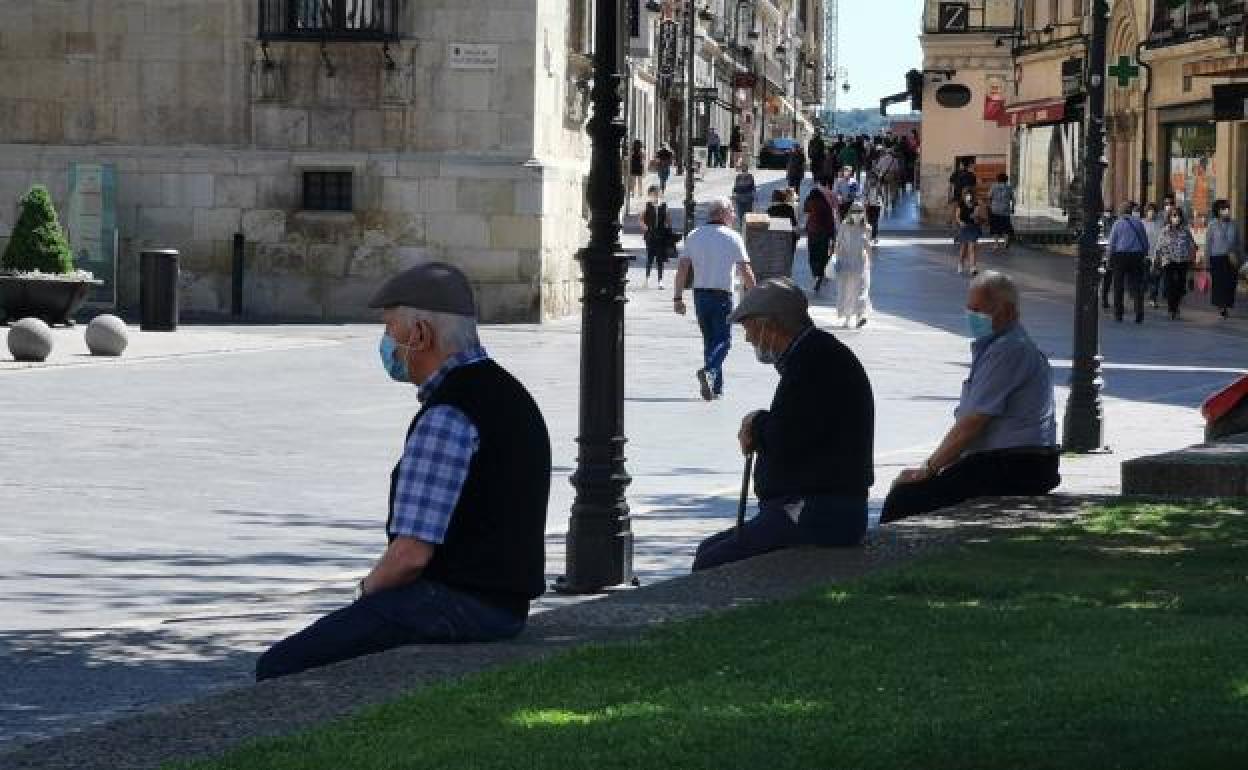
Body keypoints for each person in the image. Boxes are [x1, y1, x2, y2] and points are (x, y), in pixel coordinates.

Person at [255, 263, 551, 681]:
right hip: (503, 604)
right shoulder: (508, 392)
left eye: (390, 329)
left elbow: (411, 556)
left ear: (421, 335)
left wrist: (365, 596)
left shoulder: (450, 413)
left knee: (280, 665)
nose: (386, 344)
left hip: (460, 602)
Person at [692, 278, 874, 570]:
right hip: (811, 503)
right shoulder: (811, 354)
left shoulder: (814, 362)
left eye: (749, 327)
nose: (749, 338)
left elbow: (788, 436)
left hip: (820, 509)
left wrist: (756, 424)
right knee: (709, 550)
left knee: (712, 563)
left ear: (770, 325)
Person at [881, 271, 1059, 524]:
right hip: (1012, 460)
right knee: (914, 490)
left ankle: (885, 557)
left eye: (979, 310)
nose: (972, 317)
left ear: (1007, 312)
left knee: (906, 496)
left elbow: (973, 422)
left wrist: (930, 468)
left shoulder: (1008, 349)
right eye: (969, 309)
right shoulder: (1002, 345)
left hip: (1015, 464)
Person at [672, 198, 758, 401]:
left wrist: (677, 297)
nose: (734, 216)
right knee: (724, 341)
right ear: (723, 213)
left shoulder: (694, 235)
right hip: (722, 296)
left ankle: (715, 387)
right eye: (732, 212)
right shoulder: (733, 237)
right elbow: (745, 270)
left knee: (710, 341)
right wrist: (756, 296)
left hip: (700, 295)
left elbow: (683, 269)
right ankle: (709, 371)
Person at [1105, 200, 1151, 324]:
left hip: (1120, 257)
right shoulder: (1138, 223)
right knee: (1137, 285)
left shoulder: (1117, 224)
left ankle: (1118, 313)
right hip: (1136, 256)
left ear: (1121, 211)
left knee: (1118, 286)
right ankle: (1139, 313)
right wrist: (1145, 254)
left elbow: (1112, 244)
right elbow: (1145, 241)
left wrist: (1109, 259)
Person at [834, 201, 872, 328]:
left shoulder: (867, 227)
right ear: (850, 212)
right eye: (855, 211)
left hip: (861, 263)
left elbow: (868, 246)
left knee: (861, 289)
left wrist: (870, 261)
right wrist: (837, 257)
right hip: (846, 262)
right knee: (848, 290)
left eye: (860, 211)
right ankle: (848, 317)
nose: (857, 214)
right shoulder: (844, 226)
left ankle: (860, 316)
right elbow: (838, 243)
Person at [1156, 206, 1198, 321]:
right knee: (1170, 285)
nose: (1176, 218)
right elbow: (1159, 247)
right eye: (1174, 216)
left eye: (1178, 215)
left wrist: (1192, 256)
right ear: (1169, 217)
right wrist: (1158, 260)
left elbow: (1192, 245)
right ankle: (1171, 309)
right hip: (1169, 261)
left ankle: (1176, 306)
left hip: (1182, 261)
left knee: (1180, 286)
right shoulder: (1165, 230)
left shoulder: (1185, 230)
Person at [803, 176, 839, 293]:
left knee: (812, 253)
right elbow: (831, 220)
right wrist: (833, 236)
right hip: (824, 233)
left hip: (812, 232)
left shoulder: (811, 202)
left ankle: (815, 273)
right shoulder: (826, 206)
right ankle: (821, 272)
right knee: (823, 253)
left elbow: (805, 209)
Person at [1207, 199, 1241, 318]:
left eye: (1227, 208)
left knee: (1230, 284)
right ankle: (1222, 307)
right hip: (1217, 258)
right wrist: (1207, 262)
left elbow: (1238, 242)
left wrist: (1239, 257)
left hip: (1231, 258)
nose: (1227, 211)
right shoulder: (1212, 225)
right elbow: (1208, 244)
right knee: (1219, 284)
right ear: (1218, 211)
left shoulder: (1234, 224)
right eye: (1223, 209)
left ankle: (1226, 304)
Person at [641, 185, 675, 289]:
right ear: (649, 194)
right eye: (654, 193)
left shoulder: (664, 205)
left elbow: (669, 220)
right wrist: (645, 227)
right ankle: (646, 279)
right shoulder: (647, 205)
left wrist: (669, 230)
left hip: (661, 235)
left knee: (660, 259)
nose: (656, 195)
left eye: (657, 193)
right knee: (650, 258)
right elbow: (642, 219)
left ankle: (660, 281)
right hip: (650, 236)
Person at [953, 189, 982, 274]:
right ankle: (960, 263)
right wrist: (960, 222)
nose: (968, 196)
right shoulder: (961, 204)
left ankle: (973, 267)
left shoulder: (976, 204)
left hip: (973, 227)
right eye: (967, 194)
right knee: (963, 249)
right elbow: (957, 216)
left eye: (970, 194)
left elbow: (977, 215)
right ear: (964, 195)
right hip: (964, 228)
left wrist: (975, 215)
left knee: (972, 247)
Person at [1141, 202, 1163, 307]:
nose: (1152, 213)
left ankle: (1153, 298)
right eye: (1150, 211)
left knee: (1155, 277)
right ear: (1146, 212)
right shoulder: (1142, 223)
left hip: (1157, 254)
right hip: (1145, 255)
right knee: (1145, 277)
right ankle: (1143, 293)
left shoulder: (1160, 223)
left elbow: (1162, 238)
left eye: (1154, 211)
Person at [767, 188, 799, 258]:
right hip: (788, 237)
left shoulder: (770, 210)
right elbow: (794, 223)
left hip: (775, 238)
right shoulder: (789, 208)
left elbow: (767, 225)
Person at [987, 173, 1015, 251]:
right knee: (1006, 227)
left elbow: (989, 197)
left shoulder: (993, 186)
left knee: (995, 228)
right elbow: (1013, 199)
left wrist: (990, 206)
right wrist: (1012, 208)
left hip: (995, 210)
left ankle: (996, 244)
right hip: (1005, 211)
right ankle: (1005, 243)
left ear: (997, 179)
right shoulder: (1009, 187)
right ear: (1006, 179)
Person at [732, 162, 757, 229]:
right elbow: (753, 187)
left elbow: (736, 187)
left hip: (744, 197)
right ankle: (744, 227)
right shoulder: (741, 177)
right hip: (744, 197)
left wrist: (734, 195)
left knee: (743, 214)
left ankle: (744, 227)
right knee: (744, 214)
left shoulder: (745, 176)